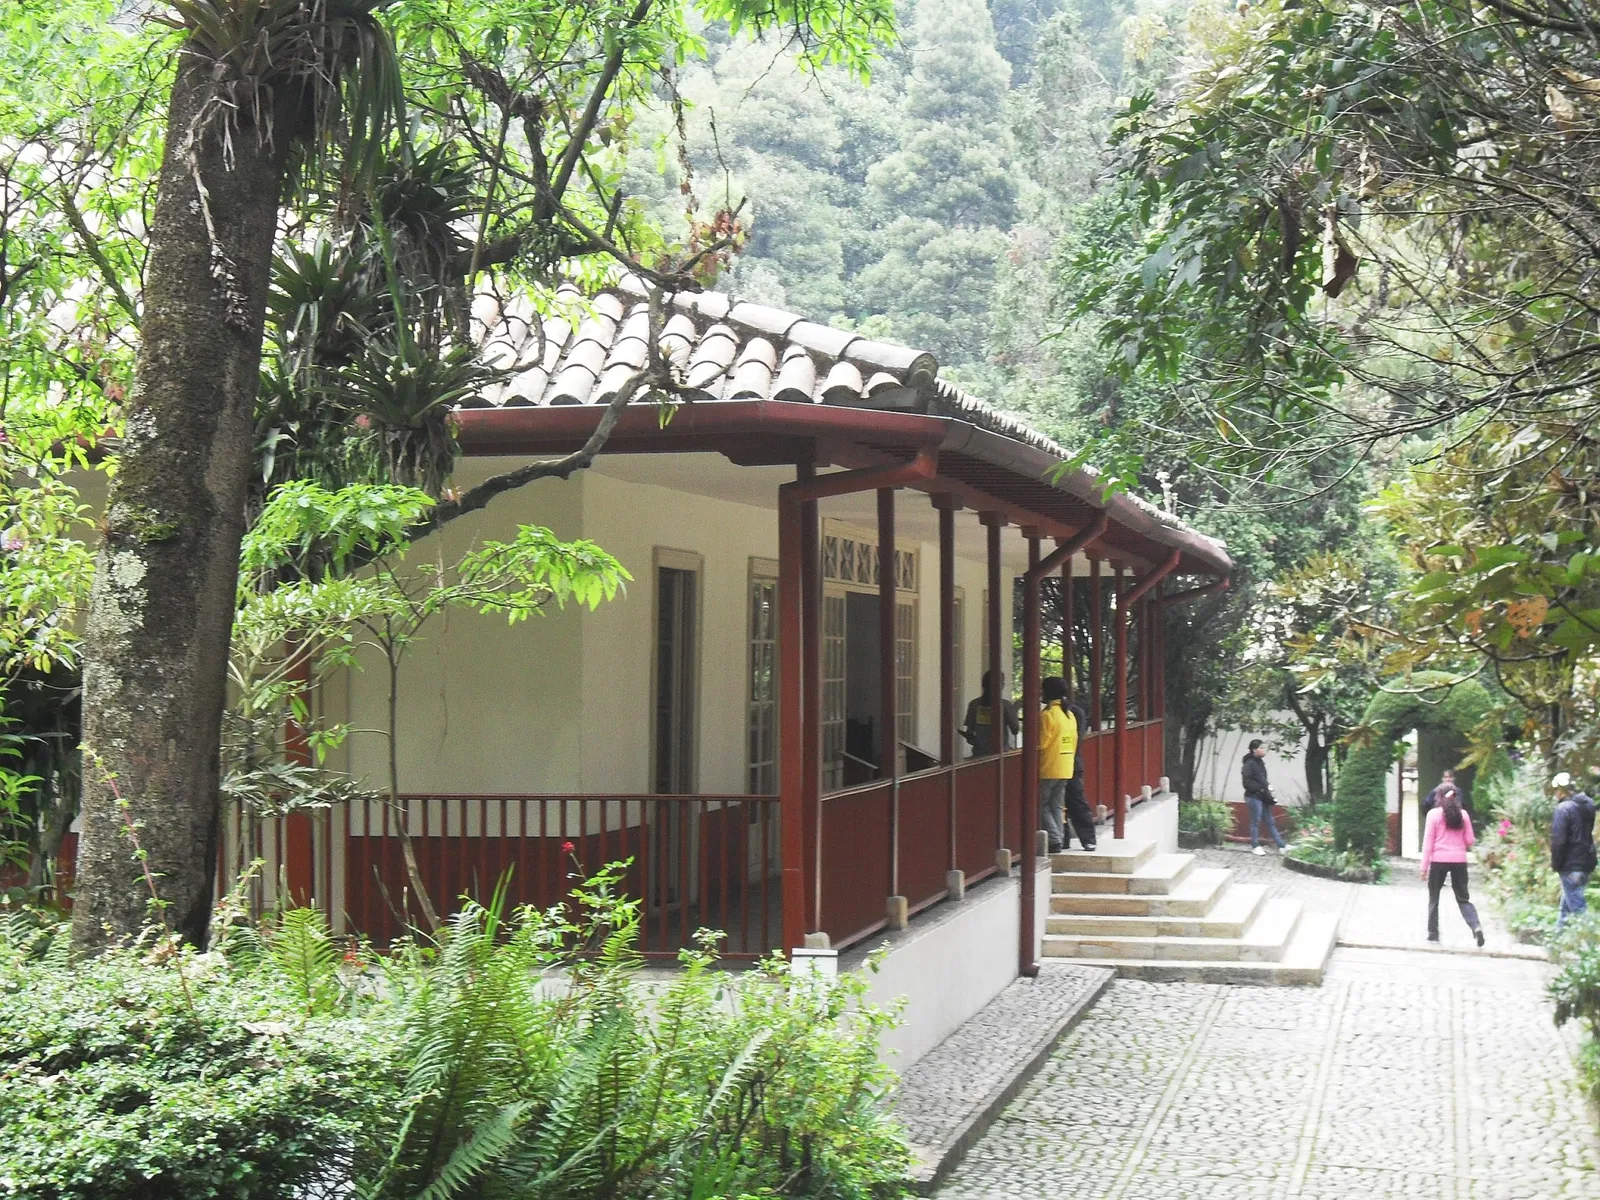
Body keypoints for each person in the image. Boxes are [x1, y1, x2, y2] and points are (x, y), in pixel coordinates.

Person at [1037, 679, 1096, 853]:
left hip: (1049, 767)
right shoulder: (1069, 714)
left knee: (1043, 805)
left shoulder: (1047, 714)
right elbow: (1075, 740)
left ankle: (1055, 840)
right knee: (1057, 806)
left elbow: (1041, 743)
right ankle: (1062, 839)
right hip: (1067, 766)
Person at [1420, 785, 1484, 946]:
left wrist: (1423, 868)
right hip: (1459, 861)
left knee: (1434, 897)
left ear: (1438, 797)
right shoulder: (1463, 815)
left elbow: (1428, 843)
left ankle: (1433, 934)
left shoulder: (1433, 815)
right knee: (1463, 898)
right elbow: (1470, 841)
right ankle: (1475, 926)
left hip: (1438, 861)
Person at [1551, 772, 1596, 929]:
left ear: (1560, 790)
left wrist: (1556, 864)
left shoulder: (1563, 809)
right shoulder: (1589, 805)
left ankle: (1591, 944)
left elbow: (1559, 841)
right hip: (1586, 861)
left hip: (1570, 865)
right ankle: (1557, 941)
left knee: (1579, 910)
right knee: (1567, 905)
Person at [1241, 739, 1286, 856]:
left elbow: (1262, 779)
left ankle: (1281, 845)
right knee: (1255, 821)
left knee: (1270, 821)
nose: (1264, 750)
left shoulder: (1260, 763)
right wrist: (1260, 789)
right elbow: (1247, 783)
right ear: (1254, 749)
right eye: (1261, 748)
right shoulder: (1249, 764)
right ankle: (1255, 846)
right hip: (1254, 797)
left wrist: (1267, 790)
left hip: (1263, 797)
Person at [1063, 701, 1097, 851]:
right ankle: (1061, 838)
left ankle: (1088, 839)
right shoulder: (1046, 711)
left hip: (1071, 763)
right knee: (1056, 805)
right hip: (1065, 763)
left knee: (1075, 801)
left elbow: (1077, 739)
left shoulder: (1074, 712)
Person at [961, 672, 1019, 758]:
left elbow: (970, 734)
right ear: (1000, 686)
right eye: (1003, 682)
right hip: (1000, 755)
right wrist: (1015, 709)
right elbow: (1015, 730)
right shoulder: (1005, 705)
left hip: (979, 754)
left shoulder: (974, 704)